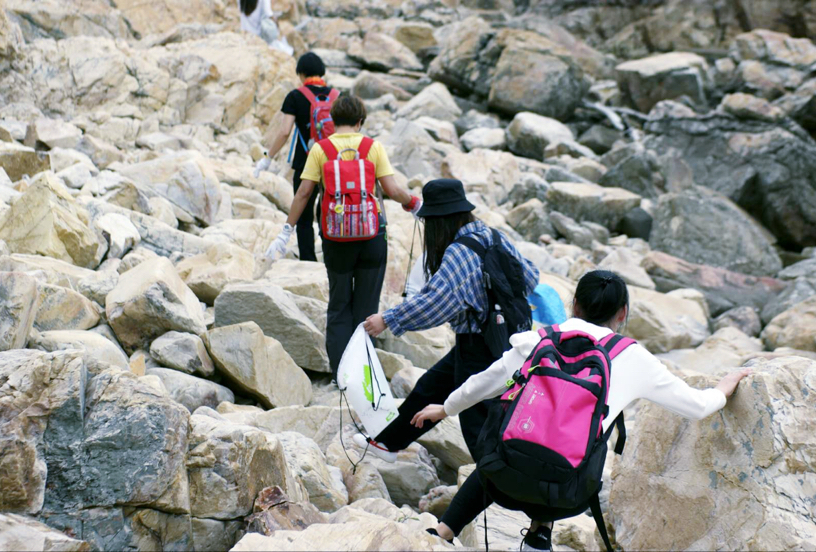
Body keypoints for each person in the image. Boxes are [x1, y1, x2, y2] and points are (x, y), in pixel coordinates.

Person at [409, 270, 752, 551]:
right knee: (580, 437)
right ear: (622, 314)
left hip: (501, 479)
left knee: (511, 434)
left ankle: (443, 532)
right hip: (567, 494)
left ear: (574, 304)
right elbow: (697, 407)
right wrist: (724, 387)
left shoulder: (538, 340)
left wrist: (445, 408)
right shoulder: (634, 359)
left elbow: (483, 382)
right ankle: (539, 535)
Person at [361, 179, 540, 462]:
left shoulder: (460, 251)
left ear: (439, 221)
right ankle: (386, 443)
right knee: (430, 389)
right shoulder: (494, 235)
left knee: (475, 422)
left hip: (478, 345)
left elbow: (436, 303)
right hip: (506, 336)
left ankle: (496, 478)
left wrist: (387, 319)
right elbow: (530, 277)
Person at [264, 95, 421, 374]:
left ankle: (341, 374)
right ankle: (364, 374)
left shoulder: (320, 149)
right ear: (360, 121)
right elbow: (393, 190)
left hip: (335, 238)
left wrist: (286, 231)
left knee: (338, 306)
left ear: (333, 121)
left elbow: (304, 193)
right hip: (372, 237)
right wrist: (415, 204)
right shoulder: (373, 147)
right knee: (367, 309)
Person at [256, 52, 333, 261]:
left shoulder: (295, 96)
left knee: (304, 214)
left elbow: (284, 131)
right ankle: (331, 256)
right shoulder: (337, 96)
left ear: (301, 73)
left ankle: (308, 260)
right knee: (329, 210)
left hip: (305, 161)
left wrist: (268, 157)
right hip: (333, 163)